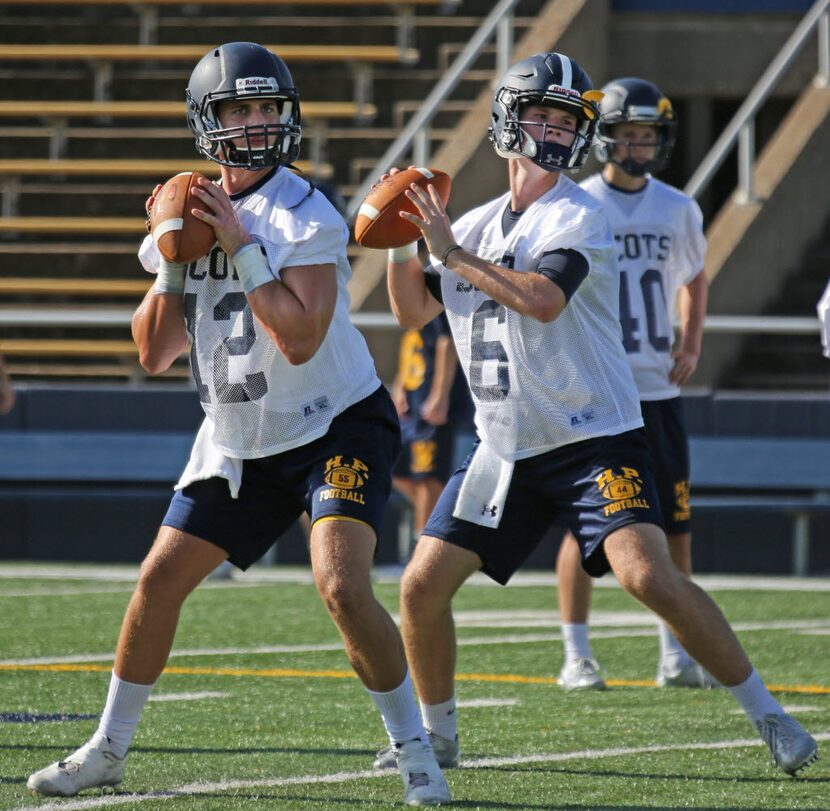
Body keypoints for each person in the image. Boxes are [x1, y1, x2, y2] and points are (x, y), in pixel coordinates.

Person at [27, 42, 450, 807]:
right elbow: (154, 351)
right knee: (157, 579)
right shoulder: (183, 206)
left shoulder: (303, 212)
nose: (256, 123)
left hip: (334, 423)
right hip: (237, 435)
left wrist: (242, 248)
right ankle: (109, 746)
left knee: (343, 586)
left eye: (266, 108)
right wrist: (170, 258)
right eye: (238, 109)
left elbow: (301, 336)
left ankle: (414, 747)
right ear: (207, 122)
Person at [384, 51, 818, 778]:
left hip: (592, 438)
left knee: (648, 575)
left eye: (565, 118)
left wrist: (449, 251)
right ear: (507, 121)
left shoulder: (577, 212)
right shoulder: (478, 222)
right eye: (542, 114)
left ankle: (768, 714)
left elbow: (543, 299)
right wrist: (402, 240)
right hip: (504, 445)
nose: (554, 128)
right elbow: (411, 311)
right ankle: (439, 733)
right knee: (420, 586)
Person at [555, 77, 712, 691]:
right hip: (596, 392)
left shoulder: (678, 207)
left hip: (656, 388)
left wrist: (692, 340)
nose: (642, 146)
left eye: (650, 136)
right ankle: (576, 652)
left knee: (674, 530)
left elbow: (695, 276)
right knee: (585, 530)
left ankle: (676, 650)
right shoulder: (577, 203)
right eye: (631, 135)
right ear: (605, 139)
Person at [391, 312, 475, 549]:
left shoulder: (436, 288)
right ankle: (441, 524)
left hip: (431, 402)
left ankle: (423, 546)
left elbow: (447, 340)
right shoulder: (413, 297)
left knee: (429, 477)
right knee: (398, 471)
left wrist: (439, 395)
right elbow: (413, 338)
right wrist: (400, 384)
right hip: (413, 400)